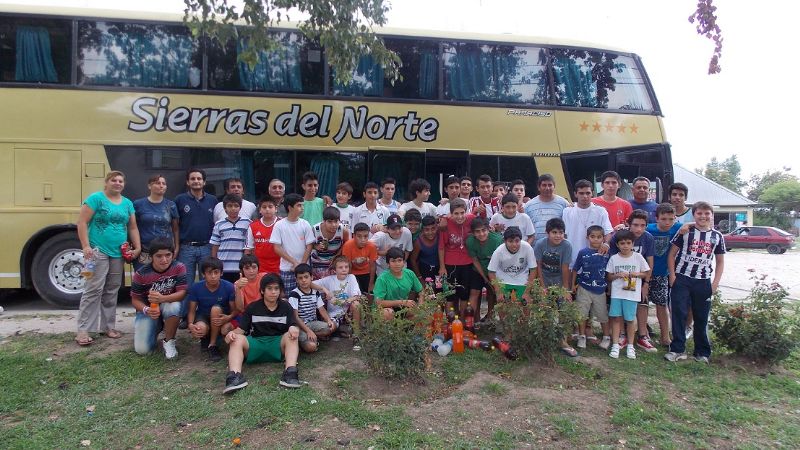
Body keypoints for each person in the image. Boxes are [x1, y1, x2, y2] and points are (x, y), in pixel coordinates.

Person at [76, 170, 141, 346]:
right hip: (97, 251)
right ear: (106, 182)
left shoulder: (127, 203)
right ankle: (84, 329)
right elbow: (82, 222)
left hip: (118, 253)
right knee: (93, 289)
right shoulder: (95, 199)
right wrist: (86, 246)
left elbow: (132, 227)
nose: (117, 183)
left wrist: (137, 247)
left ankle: (108, 326)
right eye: (114, 180)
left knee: (112, 290)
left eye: (120, 181)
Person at [665, 201, 726, 364]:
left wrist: (715, 283)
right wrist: (672, 276)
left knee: (701, 316)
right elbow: (671, 254)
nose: (703, 216)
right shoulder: (685, 231)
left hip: (703, 281)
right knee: (679, 313)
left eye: (707, 213)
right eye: (699, 213)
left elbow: (720, 262)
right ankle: (677, 349)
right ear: (694, 215)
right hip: (682, 278)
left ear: (712, 215)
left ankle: (702, 351)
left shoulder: (717, 236)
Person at [223, 273, 302, 394]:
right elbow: (240, 331)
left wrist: (293, 328)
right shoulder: (252, 307)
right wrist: (230, 335)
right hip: (256, 343)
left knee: (291, 336)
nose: (273, 292)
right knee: (236, 339)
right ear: (262, 291)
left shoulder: (286, 307)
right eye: (269, 288)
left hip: (277, 345)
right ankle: (234, 376)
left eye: (276, 288)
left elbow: (293, 325)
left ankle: (290, 373)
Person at [130, 237, 187, 358]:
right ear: (151, 257)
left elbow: (182, 293)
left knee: (174, 305)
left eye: (168, 255)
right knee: (142, 350)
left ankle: (169, 341)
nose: (164, 260)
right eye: (159, 256)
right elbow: (135, 300)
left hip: (168, 305)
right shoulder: (141, 274)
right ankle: (157, 326)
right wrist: (147, 310)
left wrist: (162, 298)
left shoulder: (179, 267)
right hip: (150, 310)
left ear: (173, 254)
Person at [609, 209, 656, 352]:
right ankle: (622, 335)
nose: (639, 229)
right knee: (620, 307)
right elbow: (612, 261)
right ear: (629, 224)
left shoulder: (648, 238)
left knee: (642, 304)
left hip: (638, 277)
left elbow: (650, 262)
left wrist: (646, 283)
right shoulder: (619, 237)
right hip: (620, 279)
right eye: (635, 225)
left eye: (642, 225)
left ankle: (642, 336)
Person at [175, 168, 217, 327]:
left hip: (207, 246)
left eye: (199, 179)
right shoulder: (180, 200)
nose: (196, 181)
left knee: (209, 282)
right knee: (186, 284)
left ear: (204, 182)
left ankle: (205, 314)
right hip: (187, 248)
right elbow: (175, 225)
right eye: (193, 178)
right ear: (188, 182)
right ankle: (185, 316)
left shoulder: (213, 200)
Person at [534, 218, 577, 357]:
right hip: (544, 279)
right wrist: (542, 287)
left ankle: (563, 341)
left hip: (559, 281)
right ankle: (544, 338)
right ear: (547, 233)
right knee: (545, 309)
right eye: (554, 232)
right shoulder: (540, 244)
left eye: (561, 232)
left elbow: (565, 268)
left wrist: (565, 290)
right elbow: (538, 266)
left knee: (563, 308)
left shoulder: (567, 245)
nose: (558, 235)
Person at [606, 230, 650, 360]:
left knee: (630, 320)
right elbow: (609, 276)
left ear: (633, 244)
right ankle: (615, 344)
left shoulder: (638, 257)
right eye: (622, 243)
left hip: (631, 295)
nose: (625, 246)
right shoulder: (614, 258)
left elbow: (646, 273)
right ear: (617, 245)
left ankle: (630, 346)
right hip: (617, 294)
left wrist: (637, 274)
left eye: (628, 243)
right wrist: (617, 275)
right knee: (616, 318)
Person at [186, 257, 237, 362]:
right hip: (203, 316)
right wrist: (190, 324)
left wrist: (228, 317)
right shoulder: (196, 287)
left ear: (221, 273)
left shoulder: (229, 287)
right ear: (203, 274)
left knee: (216, 309)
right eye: (209, 273)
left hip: (221, 317)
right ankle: (206, 337)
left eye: (216, 272)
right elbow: (192, 310)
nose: (213, 276)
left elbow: (235, 310)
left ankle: (212, 345)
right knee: (200, 328)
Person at [647, 203, 682, 347]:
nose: (667, 222)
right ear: (657, 218)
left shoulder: (678, 228)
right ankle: (642, 333)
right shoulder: (649, 229)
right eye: (663, 219)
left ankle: (665, 336)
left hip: (663, 273)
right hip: (646, 273)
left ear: (675, 218)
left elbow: (695, 225)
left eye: (671, 219)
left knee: (662, 305)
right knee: (642, 304)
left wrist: (689, 225)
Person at [571, 225, 611, 350]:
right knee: (581, 314)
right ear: (587, 237)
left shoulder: (607, 253)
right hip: (584, 288)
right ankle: (582, 336)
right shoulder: (583, 252)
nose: (596, 239)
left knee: (602, 314)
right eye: (593, 236)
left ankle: (606, 337)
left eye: (599, 237)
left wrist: (609, 287)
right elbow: (575, 269)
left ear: (603, 238)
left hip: (600, 289)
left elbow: (609, 272)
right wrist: (572, 285)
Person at [269, 193, 315, 293]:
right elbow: (277, 248)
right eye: (299, 205)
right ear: (290, 207)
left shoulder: (305, 224)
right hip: (287, 269)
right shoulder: (279, 225)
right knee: (289, 297)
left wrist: (301, 264)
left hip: (304, 269)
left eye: (302, 205)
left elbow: (309, 246)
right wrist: (294, 262)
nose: (302, 208)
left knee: (306, 296)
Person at [132, 174, 179, 271]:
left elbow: (175, 229)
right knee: (144, 279)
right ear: (149, 186)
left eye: (163, 183)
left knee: (164, 279)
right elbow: (132, 227)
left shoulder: (171, 205)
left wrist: (176, 247)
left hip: (165, 253)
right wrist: (135, 247)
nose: (161, 186)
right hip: (144, 252)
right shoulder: (138, 204)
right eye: (157, 183)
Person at [315, 255, 364, 347]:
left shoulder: (351, 277)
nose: (344, 269)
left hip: (348, 312)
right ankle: (331, 331)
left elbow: (357, 296)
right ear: (335, 270)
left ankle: (356, 334)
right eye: (340, 267)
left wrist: (343, 302)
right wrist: (324, 290)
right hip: (335, 314)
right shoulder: (329, 279)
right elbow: (310, 284)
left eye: (346, 267)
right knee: (327, 330)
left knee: (356, 304)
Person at [562, 179, 613, 267]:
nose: (585, 196)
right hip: (572, 257)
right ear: (575, 194)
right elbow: (564, 235)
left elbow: (608, 232)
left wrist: (606, 244)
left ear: (592, 193)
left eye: (588, 193)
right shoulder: (567, 211)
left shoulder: (601, 211)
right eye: (581, 193)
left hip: (595, 257)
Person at [287, 264, 336, 353]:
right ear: (296, 280)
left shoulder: (315, 292)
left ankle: (312, 336)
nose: (303, 280)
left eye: (306, 277)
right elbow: (295, 317)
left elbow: (321, 309)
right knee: (311, 347)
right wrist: (308, 331)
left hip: (312, 323)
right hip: (299, 326)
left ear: (311, 277)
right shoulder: (294, 294)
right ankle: (305, 339)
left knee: (332, 327)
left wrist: (328, 320)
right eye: (300, 278)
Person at [438, 198, 475, 313]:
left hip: (467, 262)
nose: (460, 216)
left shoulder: (471, 219)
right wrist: (442, 267)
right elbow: (441, 247)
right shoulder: (446, 224)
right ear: (451, 214)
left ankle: (462, 320)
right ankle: (450, 321)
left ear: (466, 212)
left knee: (464, 294)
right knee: (450, 296)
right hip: (450, 263)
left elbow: (481, 220)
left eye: (462, 213)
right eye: (456, 213)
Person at [667, 182, 694, 337]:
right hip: (669, 260)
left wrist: (689, 224)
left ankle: (688, 325)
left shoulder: (692, 213)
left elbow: (705, 223)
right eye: (674, 194)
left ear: (685, 197)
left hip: (688, 261)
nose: (677, 197)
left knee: (689, 299)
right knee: (673, 299)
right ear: (669, 196)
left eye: (681, 195)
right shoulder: (666, 212)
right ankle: (676, 328)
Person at [466, 217, 503, 322]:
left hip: (494, 270)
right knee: (474, 292)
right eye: (477, 231)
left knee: (492, 293)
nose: (481, 234)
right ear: (473, 233)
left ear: (488, 229)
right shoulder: (470, 241)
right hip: (478, 269)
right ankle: (472, 321)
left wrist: (491, 278)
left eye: (483, 230)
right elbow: (475, 260)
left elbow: (500, 261)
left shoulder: (497, 240)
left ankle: (490, 317)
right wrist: (485, 278)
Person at [373, 247, 424, 320]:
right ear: (388, 264)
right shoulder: (382, 279)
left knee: (421, 313)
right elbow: (378, 303)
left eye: (399, 260)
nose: (397, 264)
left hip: (402, 307)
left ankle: (405, 326)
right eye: (393, 261)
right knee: (388, 313)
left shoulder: (409, 274)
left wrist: (420, 305)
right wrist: (402, 302)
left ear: (403, 262)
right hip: (385, 309)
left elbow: (421, 290)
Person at [488, 227, 537, 302]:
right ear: (505, 241)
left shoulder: (527, 247)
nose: (514, 244)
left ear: (521, 240)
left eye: (517, 241)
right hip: (503, 279)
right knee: (503, 305)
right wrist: (498, 291)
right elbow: (491, 272)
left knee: (525, 304)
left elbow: (533, 269)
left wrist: (527, 292)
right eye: (510, 241)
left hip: (522, 279)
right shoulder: (498, 251)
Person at [210, 194, 252, 284]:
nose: (233, 208)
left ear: (240, 208)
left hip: (241, 267)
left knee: (240, 290)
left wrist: (245, 264)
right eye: (230, 206)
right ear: (225, 208)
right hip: (223, 267)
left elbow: (250, 245)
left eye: (236, 206)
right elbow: (215, 246)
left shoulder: (248, 223)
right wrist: (214, 264)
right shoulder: (219, 224)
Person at [524, 174, 570, 242]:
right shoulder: (529, 205)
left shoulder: (564, 204)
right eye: (544, 185)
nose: (547, 188)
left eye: (550, 185)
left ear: (554, 187)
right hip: (535, 246)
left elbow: (568, 227)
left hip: (558, 246)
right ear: (538, 187)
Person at [310, 206, 348, 279]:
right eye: (330, 222)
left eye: (336, 221)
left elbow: (346, 245)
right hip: (317, 262)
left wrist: (336, 256)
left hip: (335, 261)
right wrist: (316, 246)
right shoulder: (315, 229)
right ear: (324, 221)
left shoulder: (343, 230)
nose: (333, 225)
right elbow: (309, 245)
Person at [245, 196, 280, 275]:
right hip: (260, 268)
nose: (267, 209)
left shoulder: (282, 224)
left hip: (280, 267)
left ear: (276, 208)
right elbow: (248, 249)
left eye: (270, 207)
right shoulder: (253, 226)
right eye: (264, 207)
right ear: (260, 210)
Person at [341, 222, 378, 293]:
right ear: (354, 236)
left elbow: (372, 266)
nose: (363, 240)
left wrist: (371, 283)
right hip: (353, 273)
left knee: (371, 293)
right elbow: (347, 265)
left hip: (367, 272)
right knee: (356, 293)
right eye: (359, 236)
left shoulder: (372, 246)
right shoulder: (347, 245)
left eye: (365, 236)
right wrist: (349, 281)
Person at [410, 215, 440, 285]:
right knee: (428, 290)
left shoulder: (440, 236)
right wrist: (419, 277)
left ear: (437, 227)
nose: (430, 232)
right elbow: (413, 260)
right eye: (427, 229)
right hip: (425, 272)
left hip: (439, 271)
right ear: (422, 230)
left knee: (439, 289)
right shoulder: (418, 242)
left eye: (433, 228)